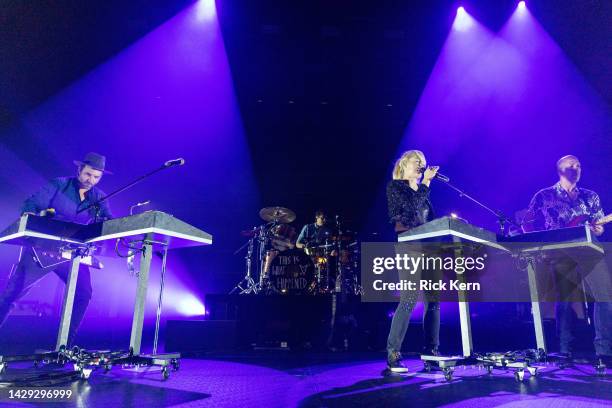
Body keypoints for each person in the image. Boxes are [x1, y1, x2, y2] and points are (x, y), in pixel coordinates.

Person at [0, 152, 113, 346]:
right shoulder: (59, 184)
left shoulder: (100, 198)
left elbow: (109, 222)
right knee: (13, 292)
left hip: (72, 254)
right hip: (42, 248)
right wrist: (32, 214)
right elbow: (32, 203)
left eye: (96, 177)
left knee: (83, 293)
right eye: (87, 174)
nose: (90, 180)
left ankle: (64, 346)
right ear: (79, 170)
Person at [523, 155, 611, 363]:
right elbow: (527, 222)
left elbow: (599, 229)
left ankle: (604, 350)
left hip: (589, 252)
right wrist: (538, 247)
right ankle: (564, 348)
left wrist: (598, 228)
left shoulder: (591, 196)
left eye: (579, 165)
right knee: (564, 300)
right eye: (571, 164)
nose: (576, 167)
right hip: (561, 253)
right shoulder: (544, 196)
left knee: (606, 295)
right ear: (559, 169)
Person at [385, 149, 441, 373]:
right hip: (409, 245)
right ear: (403, 166)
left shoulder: (423, 191)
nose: (420, 165)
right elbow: (407, 213)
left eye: (423, 162)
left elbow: (429, 221)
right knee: (408, 299)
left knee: (433, 301)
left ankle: (432, 353)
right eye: (416, 162)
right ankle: (393, 353)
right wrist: (426, 184)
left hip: (429, 248)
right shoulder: (396, 188)